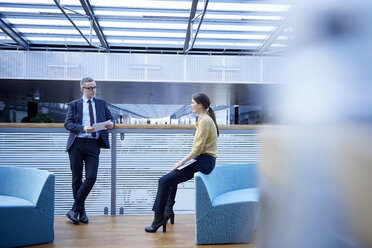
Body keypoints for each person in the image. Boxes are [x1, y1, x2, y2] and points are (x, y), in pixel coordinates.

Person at [145, 92, 219, 233]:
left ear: (200, 105)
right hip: (204, 160)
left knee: (164, 180)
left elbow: (197, 150)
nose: (191, 105)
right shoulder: (204, 119)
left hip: (204, 161)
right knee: (171, 178)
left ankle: (158, 218)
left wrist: (180, 162)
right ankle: (167, 211)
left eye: (193, 102)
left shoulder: (204, 121)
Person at [64, 77, 114, 224]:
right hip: (77, 144)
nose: (94, 90)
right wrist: (82, 128)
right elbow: (68, 124)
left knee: (91, 177)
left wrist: (111, 124)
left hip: (93, 144)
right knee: (77, 179)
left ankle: (74, 209)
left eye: (95, 87)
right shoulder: (74, 105)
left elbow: (111, 119)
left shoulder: (101, 103)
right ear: (82, 89)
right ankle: (82, 212)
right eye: (90, 88)